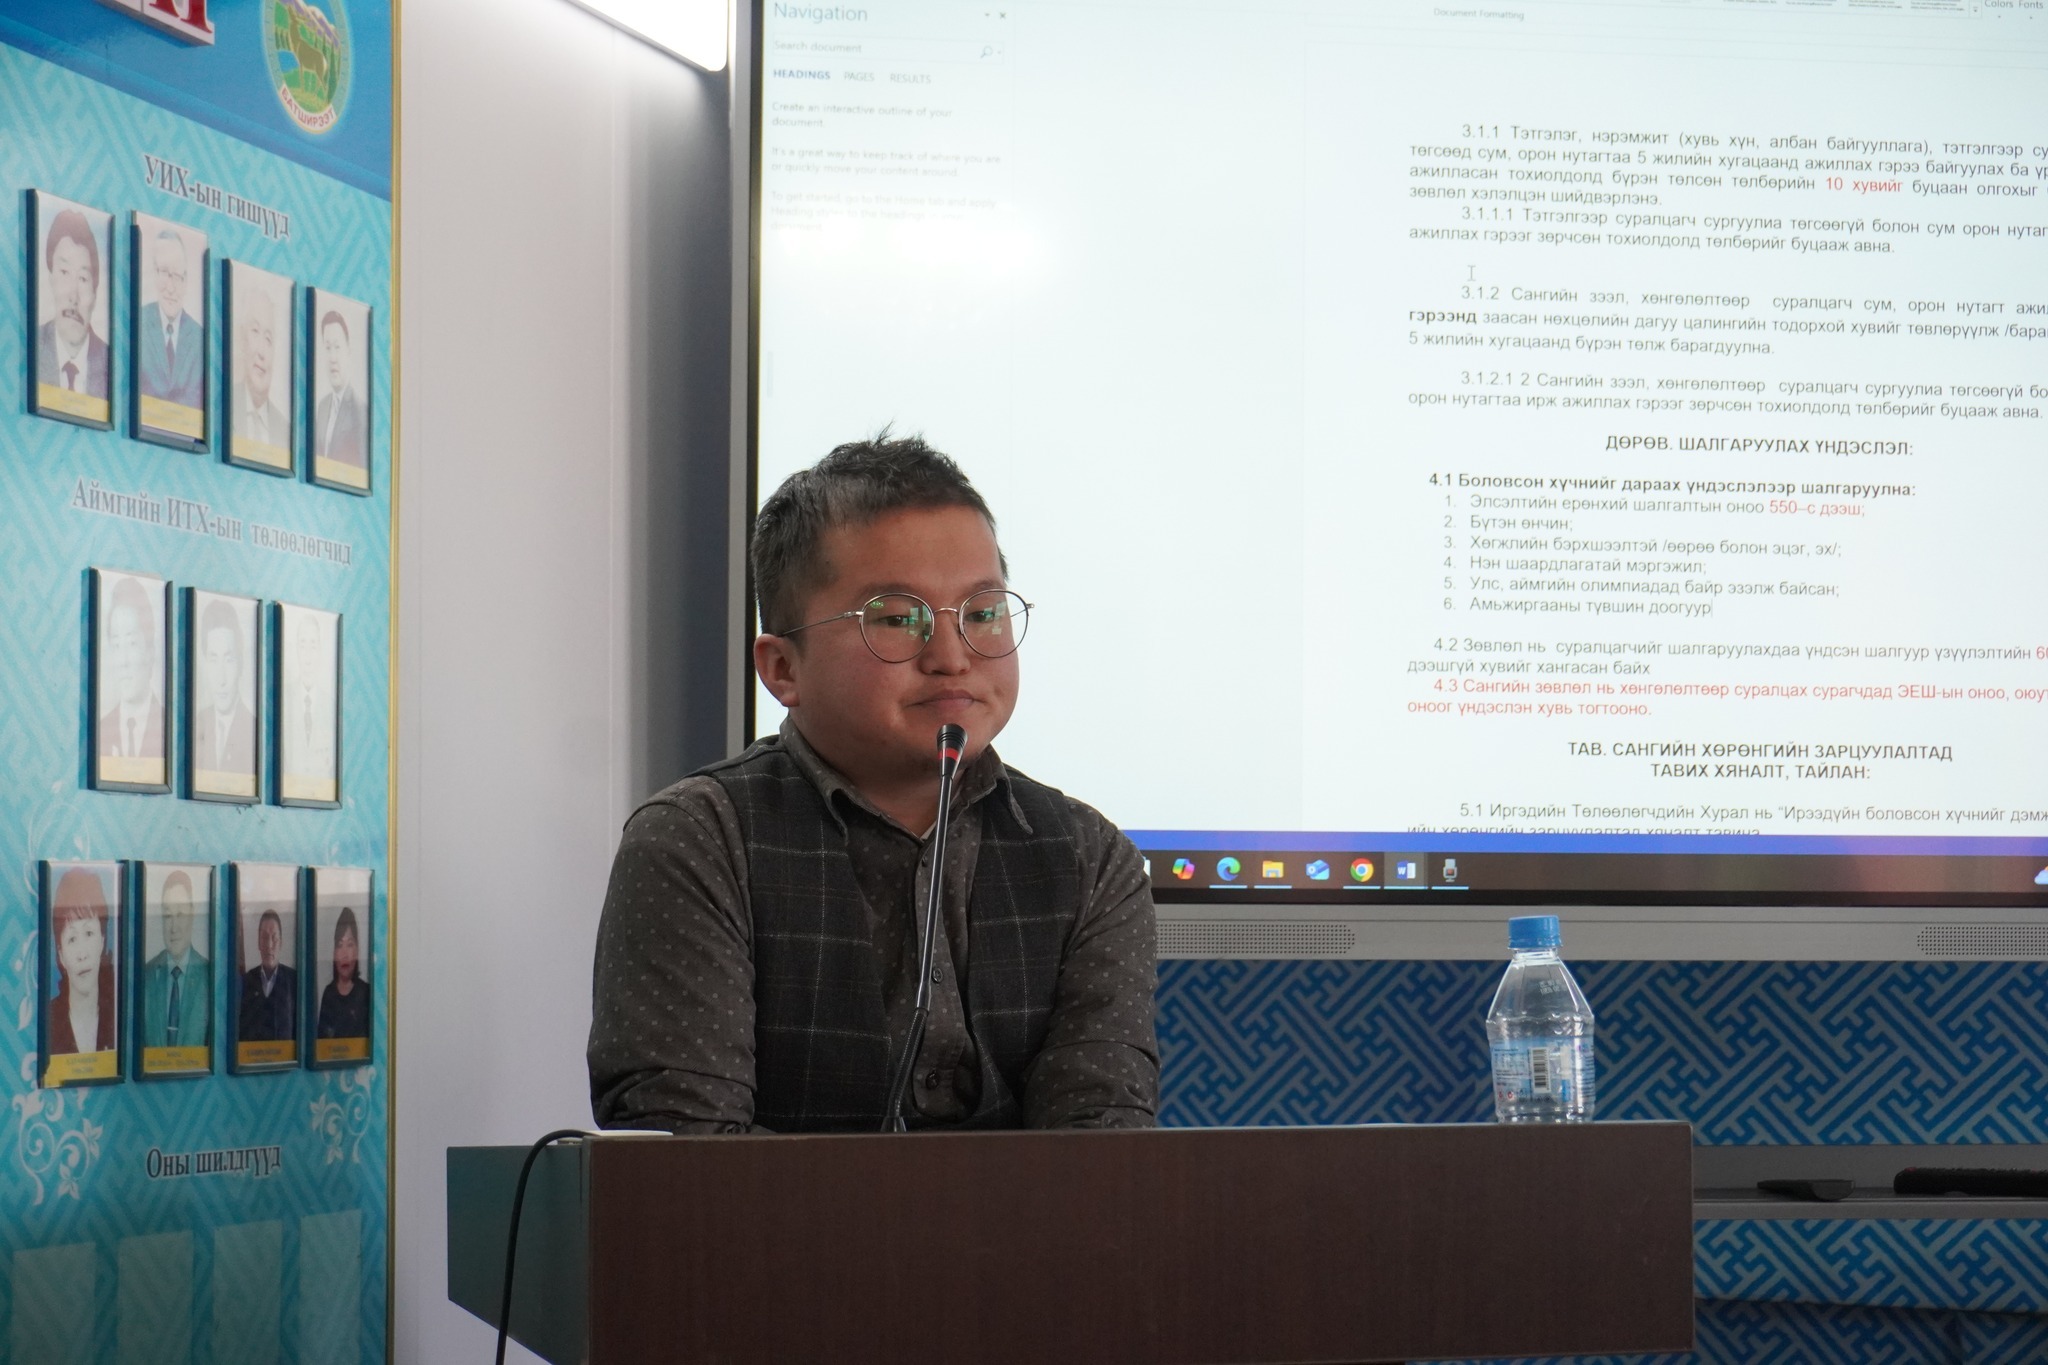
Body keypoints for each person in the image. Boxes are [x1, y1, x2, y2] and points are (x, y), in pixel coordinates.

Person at [588, 434, 1159, 1133]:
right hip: (765, 1216)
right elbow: (693, 1155)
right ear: (783, 669)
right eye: (897, 618)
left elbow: (1103, 1151)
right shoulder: (698, 843)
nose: (952, 656)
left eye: (982, 613)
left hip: (1034, 1219)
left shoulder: (1091, 858)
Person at [35, 207, 110, 401]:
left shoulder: (111, 363)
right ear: (51, 279)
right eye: (64, 272)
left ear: (95, 294)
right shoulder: (30, 348)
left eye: (83, 278)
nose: (73, 296)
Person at [47, 868, 116, 1056]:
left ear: (102, 941)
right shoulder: (49, 1020)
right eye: (72, 939)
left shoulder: (119, 1015)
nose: (82, 954)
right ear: (61, 955)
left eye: (89, 933)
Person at [142, 870, 212, 1050]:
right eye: (168, 916)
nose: (173, 927)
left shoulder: (209, 977)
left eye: (180, 914)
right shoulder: (145, 976)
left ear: (192, 914)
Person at [137, 227, 204, 412]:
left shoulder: (200, 339)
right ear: (154, 273)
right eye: (164, 272)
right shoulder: (138, 323)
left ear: (186, 280)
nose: (171, 287)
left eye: (177, 276)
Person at [98, 576, 164, 763]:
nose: (123, 662)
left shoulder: (167, 725)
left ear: (150, 651)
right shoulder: (101, 728)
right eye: (117, 645)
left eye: (132, 643)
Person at [192, 597, 257, 778]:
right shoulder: (195, 724)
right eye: (213, 660)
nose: (221, 679)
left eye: (229, 660)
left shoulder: (254, 729)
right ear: (205, 663)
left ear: (240, 663)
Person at [231, 282, 289, 454]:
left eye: (268, 339)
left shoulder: (285, 429)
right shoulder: (224, 407)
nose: (262, 352)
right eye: (255, 331)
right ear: (242, 339)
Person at [281, 611, 335, 781]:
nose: (308, 654)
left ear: (320, 650)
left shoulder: (331, 705)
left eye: (313, 645)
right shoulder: (284, 699)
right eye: (302, 645)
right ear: (296, 649)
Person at [313, 309, 367, 469]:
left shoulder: (359, 410)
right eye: (328, 348)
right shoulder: (322, 407)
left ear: (348, 351)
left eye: (337, 347)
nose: (332, 358)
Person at [238, 909, 297, 1043]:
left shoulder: (294, 981)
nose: (269, 945)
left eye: (274, 938)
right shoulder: (246, 982)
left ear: (281, 942)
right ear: (259, 943)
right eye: (264, 938)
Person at [316, 906, 370, 1039]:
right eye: (340, 945)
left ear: (357, 950)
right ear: (334, 953)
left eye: (350, 944)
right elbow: (322, 1042)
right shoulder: (328, 994)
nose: (344, 954)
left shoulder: (365, 992)